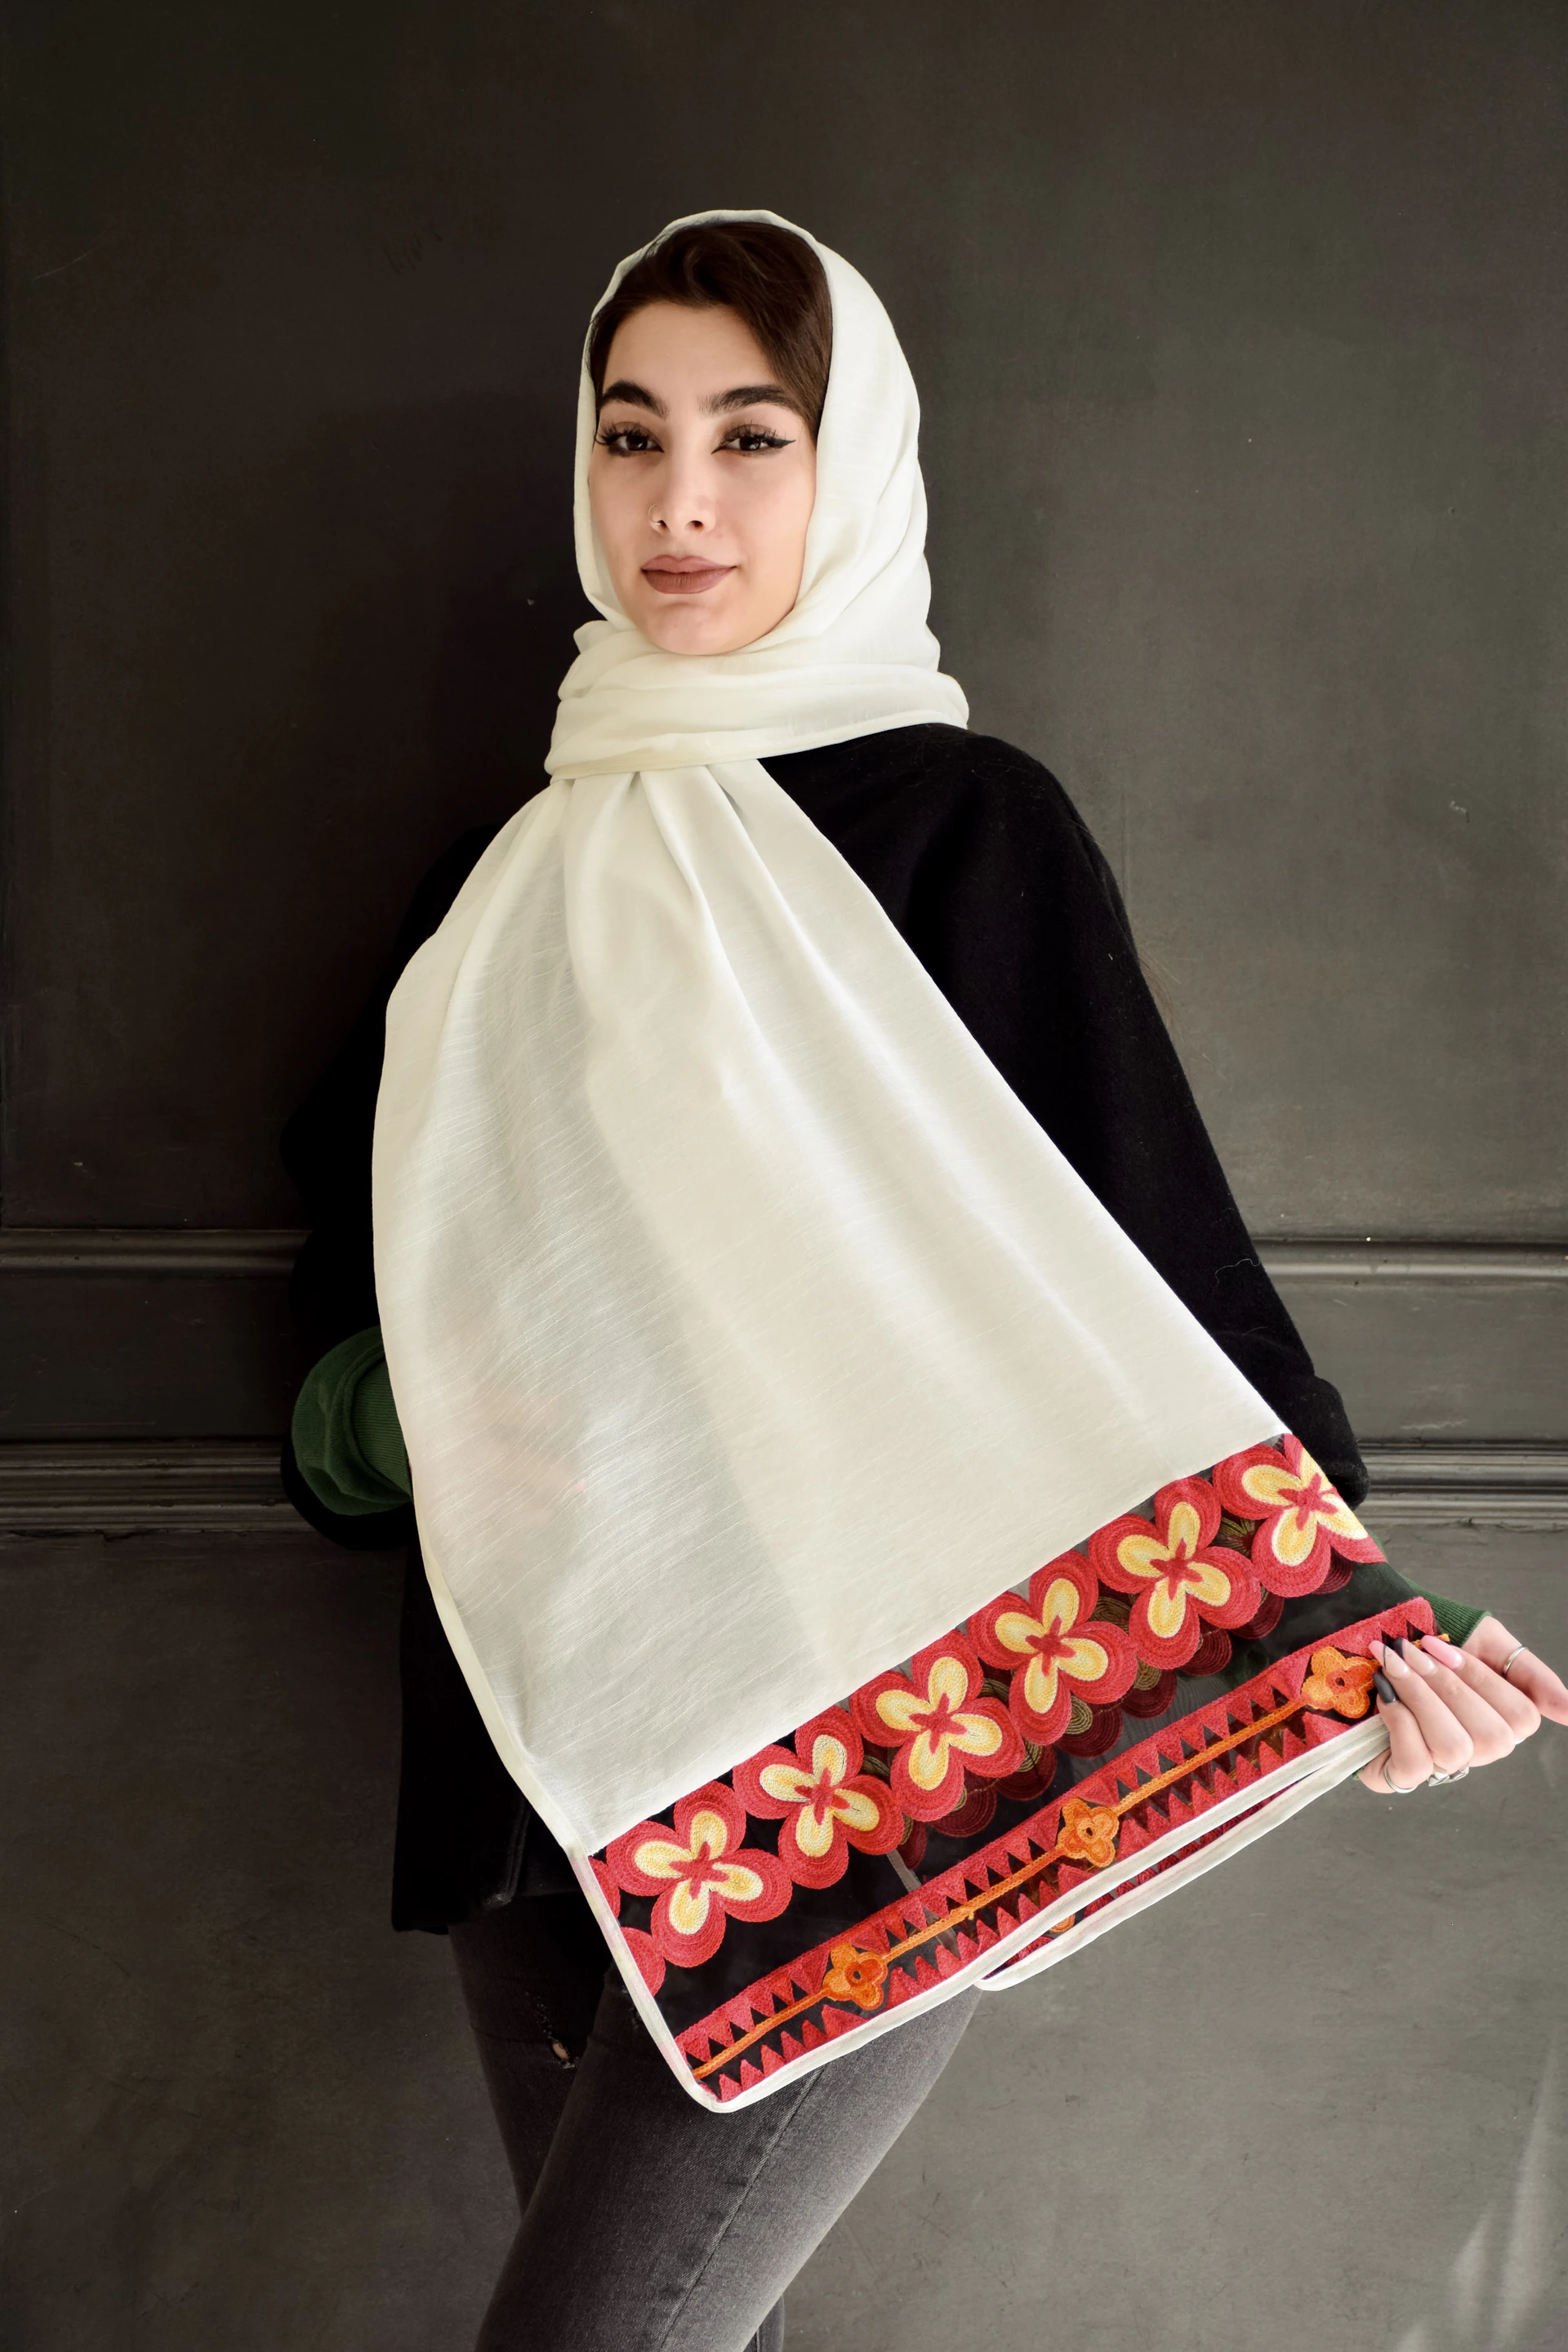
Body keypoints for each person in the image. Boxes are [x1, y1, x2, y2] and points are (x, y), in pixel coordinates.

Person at [279, 213, 1567, 2352]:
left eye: (752, 437)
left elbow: (1146, 1267)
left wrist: (1360, 1632)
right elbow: (356, 1278)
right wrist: (407, 1418)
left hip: (894, 1760)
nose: (681, 503)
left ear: (850, 463)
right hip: (551, 1759)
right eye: (632, 436)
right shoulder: (504, 882)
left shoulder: (965, 833)